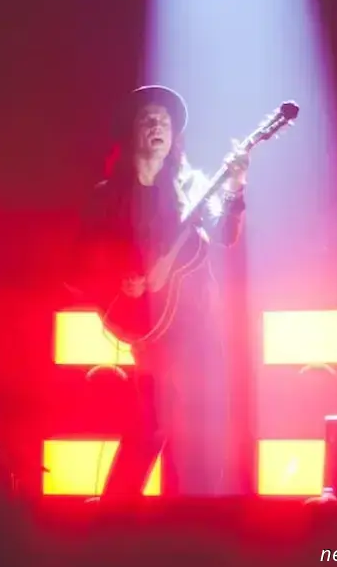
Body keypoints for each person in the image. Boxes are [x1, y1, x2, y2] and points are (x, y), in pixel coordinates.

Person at [72, 85, 249, 497]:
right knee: (153, 423)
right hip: (148, 328)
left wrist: (236, 187)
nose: (158, 126)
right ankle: (119, 519)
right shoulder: (107, 197)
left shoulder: (193, 186)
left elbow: (224, 233)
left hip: (198, 329)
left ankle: (192, 520)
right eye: (148, 118)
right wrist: (119, 276)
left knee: (197, 430)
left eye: (165, 121)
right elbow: (80, 263)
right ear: (131, 133)